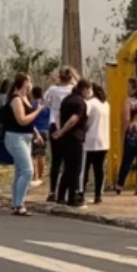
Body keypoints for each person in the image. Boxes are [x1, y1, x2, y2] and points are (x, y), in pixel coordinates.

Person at [6, 73, 45, 216]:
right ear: (23, 83)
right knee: (28, 171)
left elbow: (28, 121)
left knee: (19, 171)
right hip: (15, 138)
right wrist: (38, 111)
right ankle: (19, 203)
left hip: (26, 137)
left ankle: (16, 202)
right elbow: (22, 120)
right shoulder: (16, 99)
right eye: (29, 81)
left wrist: (36, 133)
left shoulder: (26, 98)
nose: (31, 84)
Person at [52, 79, 91, 208]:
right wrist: (63, 130)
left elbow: (57, 114)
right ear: (84, 89)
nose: (89, 93)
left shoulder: (67, 99)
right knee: (76, 168)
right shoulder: (80, 103)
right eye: (88, 90)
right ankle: (72, 197)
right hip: (75, 138)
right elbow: (74, 119)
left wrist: (59, 130)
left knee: (67, 167)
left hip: (65, 139)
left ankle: (61, 195)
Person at [43, 66, 77, 202]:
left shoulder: (53, 89)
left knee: (56, 161)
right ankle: (67, 189)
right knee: (69, 160)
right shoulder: (73, 90)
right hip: (68, 125)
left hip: (53, 124)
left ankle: (52, 191)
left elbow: (45, 101)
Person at [81, 83, 111, 204]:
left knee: (85, 169)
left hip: (90, 140)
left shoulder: (90, 103)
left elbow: (84, 119)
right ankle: (98, 195)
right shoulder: (106, 104)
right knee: (99, 169)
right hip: (103, 140)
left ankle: (81, 192)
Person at [29, 85, 50, 187]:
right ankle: (40, 177)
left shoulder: (31, 105)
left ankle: (35, 176)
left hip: (34, 131)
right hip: (45, 131)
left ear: (32, 94)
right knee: (42, 154)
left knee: (33, 155)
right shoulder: (46, 106)